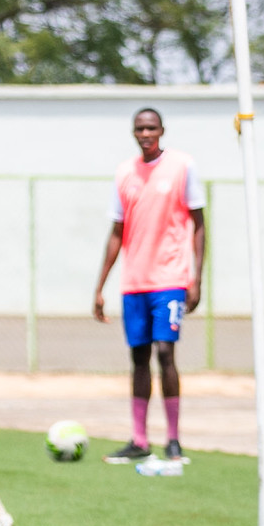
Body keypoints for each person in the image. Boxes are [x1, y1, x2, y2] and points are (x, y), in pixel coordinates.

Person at [92, 107, 204, 465]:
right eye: (140, 128)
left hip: (170, 280)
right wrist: (100, 286)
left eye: (151, 128)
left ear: (162, 130)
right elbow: (117, 231)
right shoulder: (124, 173)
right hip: (134, 283)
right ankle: (139, 440)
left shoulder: (182, 166)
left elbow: (199, 224)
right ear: (133, 132)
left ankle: (173, 440)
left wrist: (196, 277)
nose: (146, 134)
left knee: (166, 353)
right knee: (138, 357)